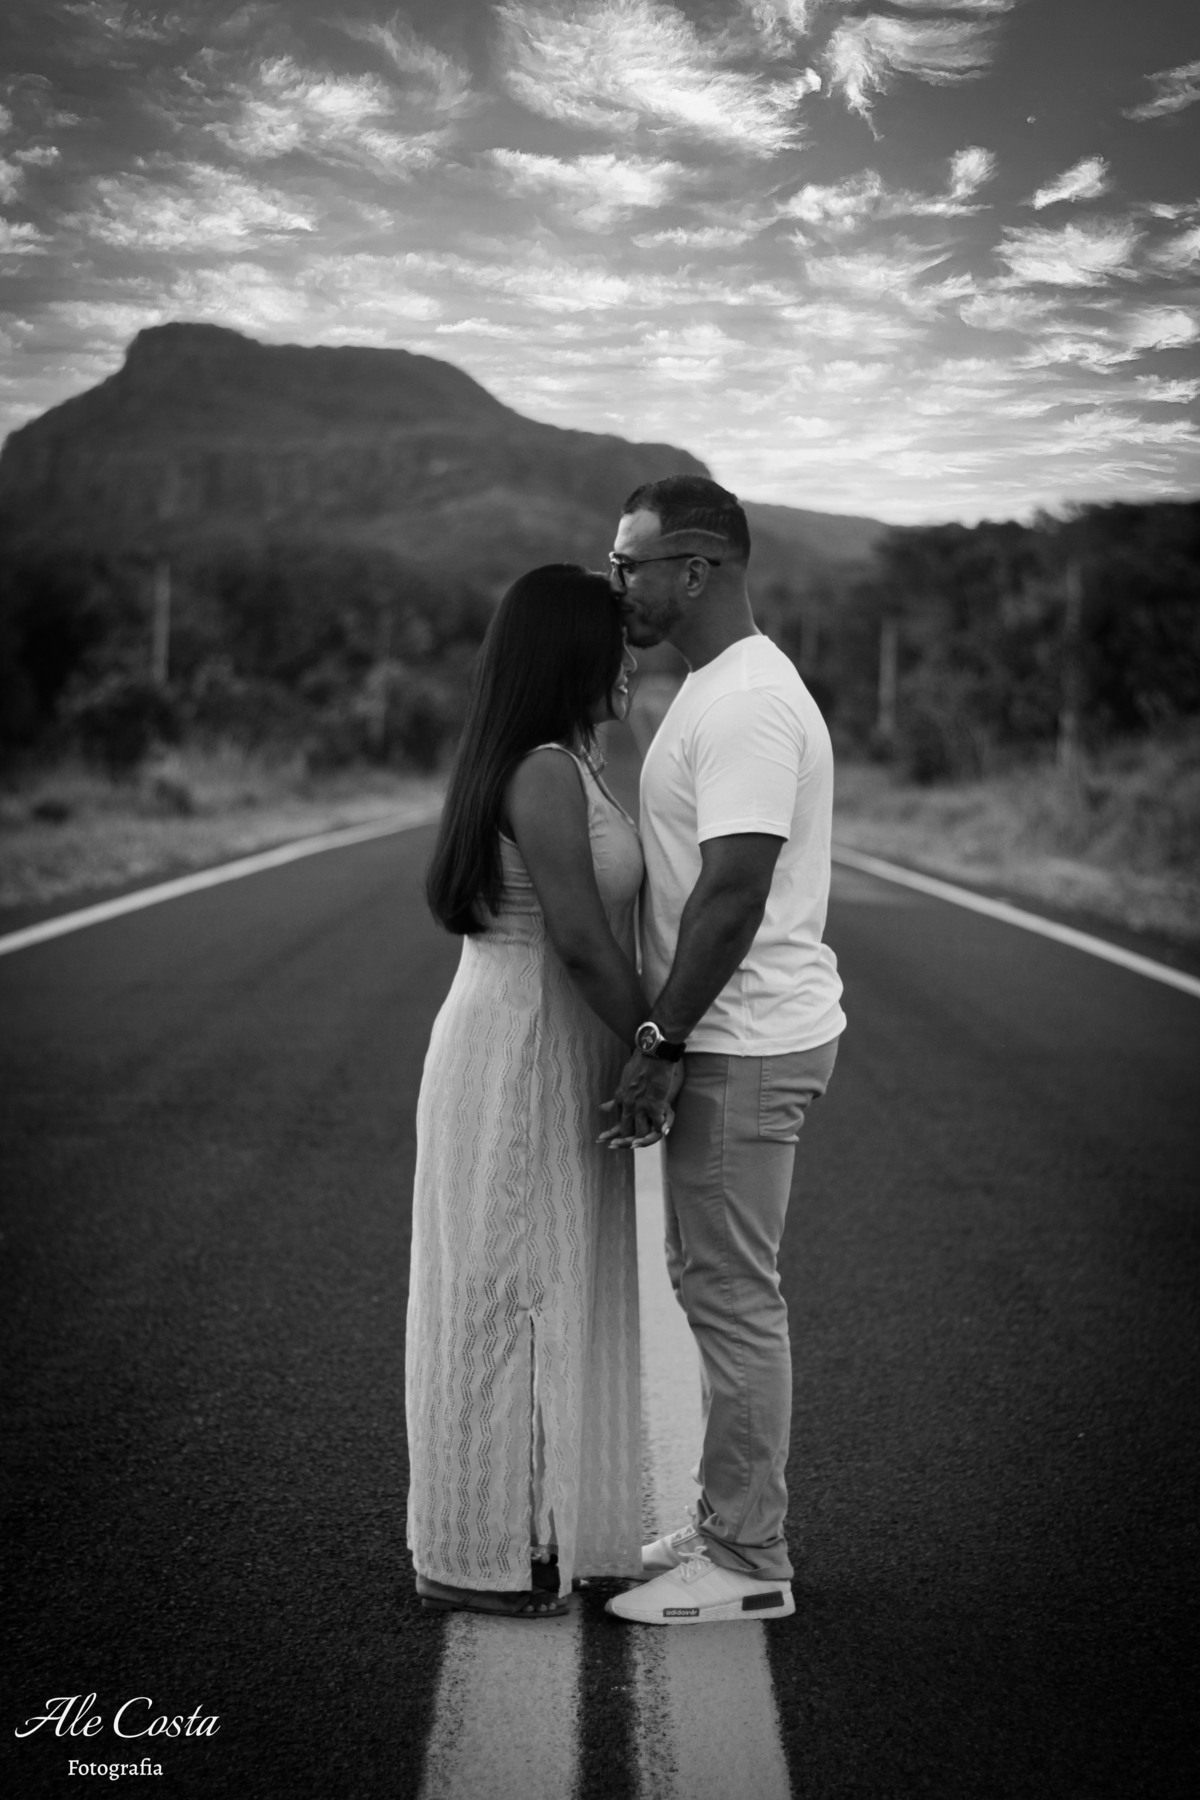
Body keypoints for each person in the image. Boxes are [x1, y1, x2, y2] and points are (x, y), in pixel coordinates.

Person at [599, 477, 846, 1627]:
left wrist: (663, 1037)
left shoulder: (745, 700)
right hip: (737, 1032)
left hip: (741, 1038)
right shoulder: (714, 686)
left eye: (629, 562)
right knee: (713, 1286)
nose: (617, 582)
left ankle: (748, 1561)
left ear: (694, 568)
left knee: (734, 1298)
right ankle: (724, 1523)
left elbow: (734, 890)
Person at [406, 564, 652, 1617]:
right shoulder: (546, 771)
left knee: (532, 1284)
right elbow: (584, 942)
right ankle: (472, 1556)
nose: (631, 663)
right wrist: (660, 1043)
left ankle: (535, 1536)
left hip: (536, 1036)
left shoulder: (564, 760)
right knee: (508, 1294)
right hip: (519, 1045)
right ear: (571, 655)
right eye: (616, 644)